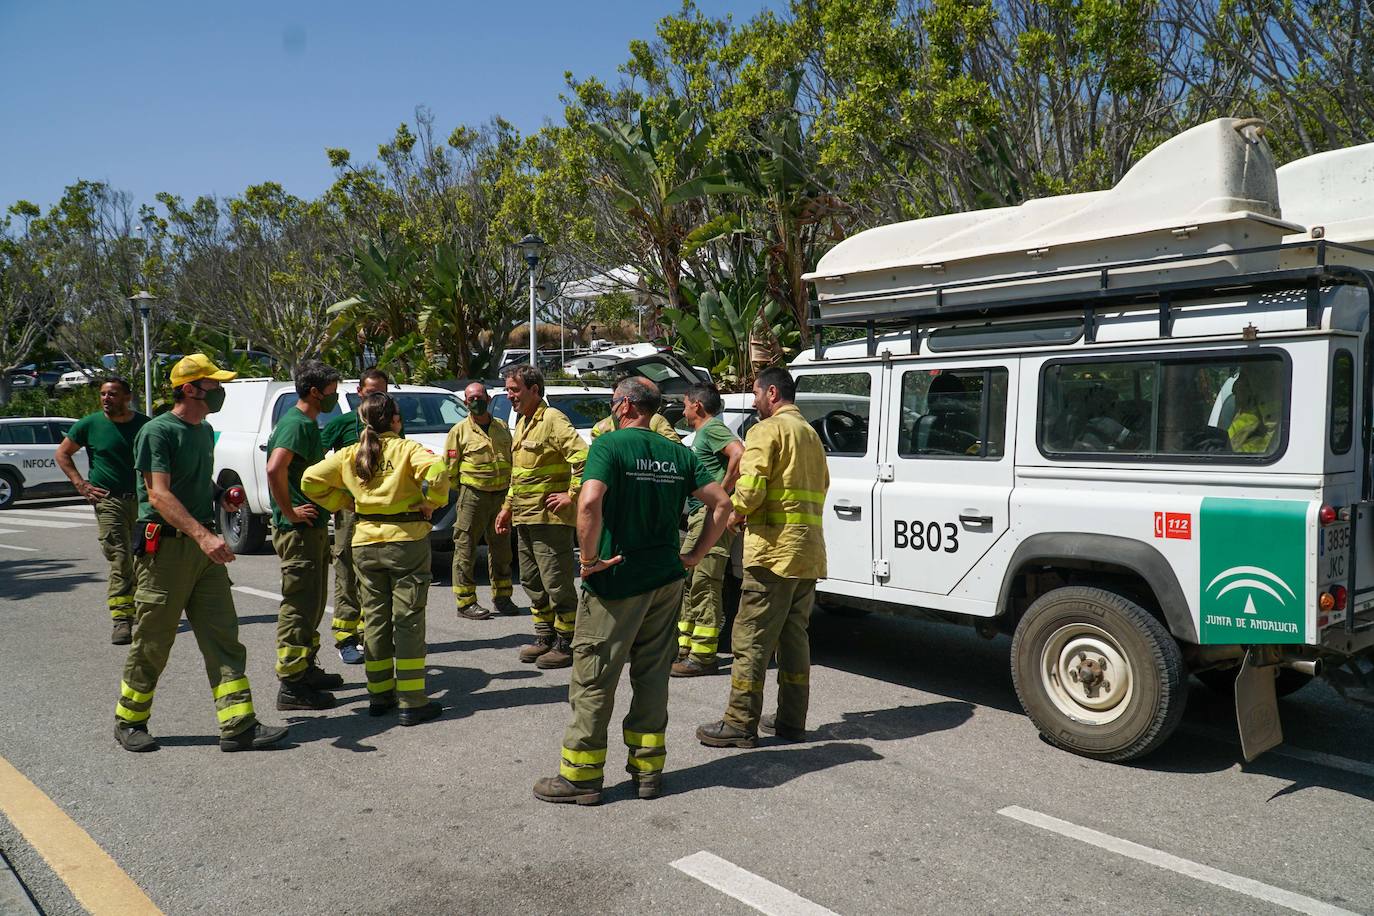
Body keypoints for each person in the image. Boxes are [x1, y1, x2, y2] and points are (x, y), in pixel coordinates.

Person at [534, 378, 730, 805]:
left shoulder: (609, 446)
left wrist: (588, 562)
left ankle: (581, 777)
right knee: (652, 677)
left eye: (610, 404)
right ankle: (647, 772)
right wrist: (694, 554)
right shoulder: (680, 452)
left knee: (594, 678)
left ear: (624, 406)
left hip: (617, 581)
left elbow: (588, 504)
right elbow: (722, 505)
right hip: (665, 580)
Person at [114, 354, 288, 753]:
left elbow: (195, 476)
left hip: (202, 552)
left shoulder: (204, 430)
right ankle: (130, 719)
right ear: (189, 389)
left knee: (223, 636)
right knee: (153, 642)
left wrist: (219, 495)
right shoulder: (158, 431)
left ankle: (239, 725)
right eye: (213, 384)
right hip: (169, 551)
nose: (220, 390)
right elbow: (158, 493)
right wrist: (202, 536)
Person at [697, 367, 828, 748]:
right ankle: (791, 720)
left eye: (755, 394)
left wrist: (731, 512)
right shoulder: (811, 434)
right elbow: (822, 486)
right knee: (793, 638)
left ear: (772, 393)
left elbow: (750, 491)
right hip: (806, 553)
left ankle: (739, 722)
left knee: (750, 638)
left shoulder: (765, 431)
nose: (753, 402)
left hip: (771, 554)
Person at [302, 393, 448, 726]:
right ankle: (412, 701)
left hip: (365, 542)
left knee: (376, 621)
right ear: (395, 420)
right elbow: (439, 470)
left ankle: (379, 696)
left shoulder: (350, 453)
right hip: (405, 541)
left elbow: (309, 480)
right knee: (408, 621)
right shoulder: (407, 449)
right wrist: (431, 503)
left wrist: (344, 501)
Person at [494, 365, 587, 670]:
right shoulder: (522, 422)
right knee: (532, 581)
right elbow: (519, 474)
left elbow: (583, 459)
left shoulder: (553, 420)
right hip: (524, 516)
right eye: (508, 390)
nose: (510, 396)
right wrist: (507, 507)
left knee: (556, 582)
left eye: (515, 390)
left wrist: (571, 495)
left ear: (534, 390)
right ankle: (544, 636)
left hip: (549, 520)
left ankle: (566, 642)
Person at [269, 360, 345, 711]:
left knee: (314, 602)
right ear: (315, 391)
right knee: (299, 606)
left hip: (311, 529)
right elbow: (274, 468)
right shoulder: (297, 424)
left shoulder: (308, 423)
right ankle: (292, 684)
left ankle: (305, 667)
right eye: (332, 390)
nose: (335, 396)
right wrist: (289, 512)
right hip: (297, 531)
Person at [54, 377, 150, 645]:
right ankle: (122, 620)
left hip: (142, 502)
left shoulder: (144, 425)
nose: (107, 398)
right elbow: (62, 454)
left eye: (113, 394)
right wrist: (81, 485)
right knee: (120, 557)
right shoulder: (90, 424)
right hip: (109, 501)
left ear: (127, 397)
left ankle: (142, 608)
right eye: (103, 394)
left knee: (142, 557)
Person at [320, 367, 392, 663]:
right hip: (350, 510)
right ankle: (345, 638)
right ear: (359, 392)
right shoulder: (342, 424)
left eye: (382, 392)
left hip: (379, 510)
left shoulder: (391, 425)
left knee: (375, 574)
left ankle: (370, 635)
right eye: (372, 391)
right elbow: (317, 462)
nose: (377, 396)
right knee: (347, 569)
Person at [672, 383, 743, 676]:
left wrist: (721, 498)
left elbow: (739, 453)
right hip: (700, 515)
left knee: (704, 582)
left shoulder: (712, 428)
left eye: (686, 404)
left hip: (710, 517)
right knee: (691, 582)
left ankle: (703, 656)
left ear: (697, 406)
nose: (684, 409)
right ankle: (686, 649)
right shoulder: (702, 433)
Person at [444, 382, 516, 620]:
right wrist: (465, 490)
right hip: (473, 496)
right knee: (465, 547)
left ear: (488, 398)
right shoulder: (459, 431)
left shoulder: (502, 427)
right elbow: (450, 470)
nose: (476, 401)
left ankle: (503, 597)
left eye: (479, 396)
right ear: (465, 402)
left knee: (502, 548)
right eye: (471, 398)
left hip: (501, 496)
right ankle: (466, 602)